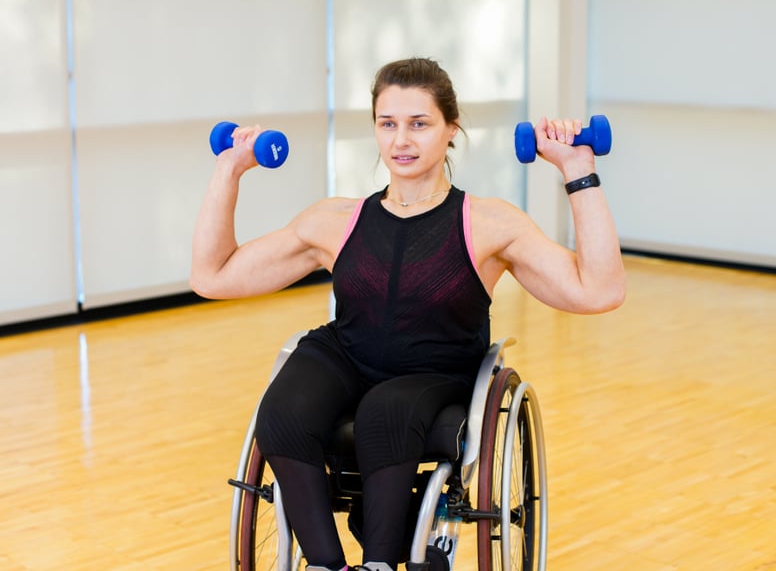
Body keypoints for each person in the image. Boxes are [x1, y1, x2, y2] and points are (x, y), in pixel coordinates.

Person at [191, 57, 625, 571]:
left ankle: (380, 563)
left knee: (385, 413)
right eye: (387, 123)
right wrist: (229, 170)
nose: (401, 140)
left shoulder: (487, 223)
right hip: (344, 354)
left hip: (434, 372)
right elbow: (212, 276)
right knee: (281, 413)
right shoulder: (335, 219)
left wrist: (579, 171)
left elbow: (599, 290)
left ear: (451, 130)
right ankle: (329, 565)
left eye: (419, 124)